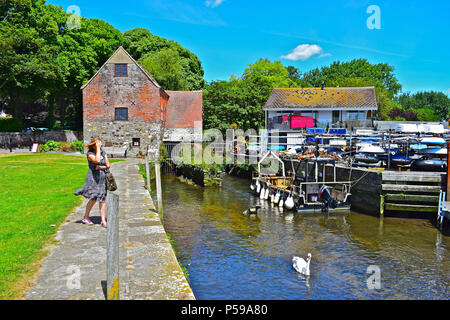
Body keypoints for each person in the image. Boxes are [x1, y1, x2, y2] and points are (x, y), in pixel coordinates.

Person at [74, 137, 111, 228]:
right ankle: (86, 217)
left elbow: (108, 165)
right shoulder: (90, 154)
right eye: (98, 143)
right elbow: (97, 160)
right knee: (93, 198)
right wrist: (98, 149)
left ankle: (103, 220)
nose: (100, 144)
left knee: (102, 199)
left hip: (102, 179)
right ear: (94, 145)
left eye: (100, 143)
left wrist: (100, 167)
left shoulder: (103, 152)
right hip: (93, 179)